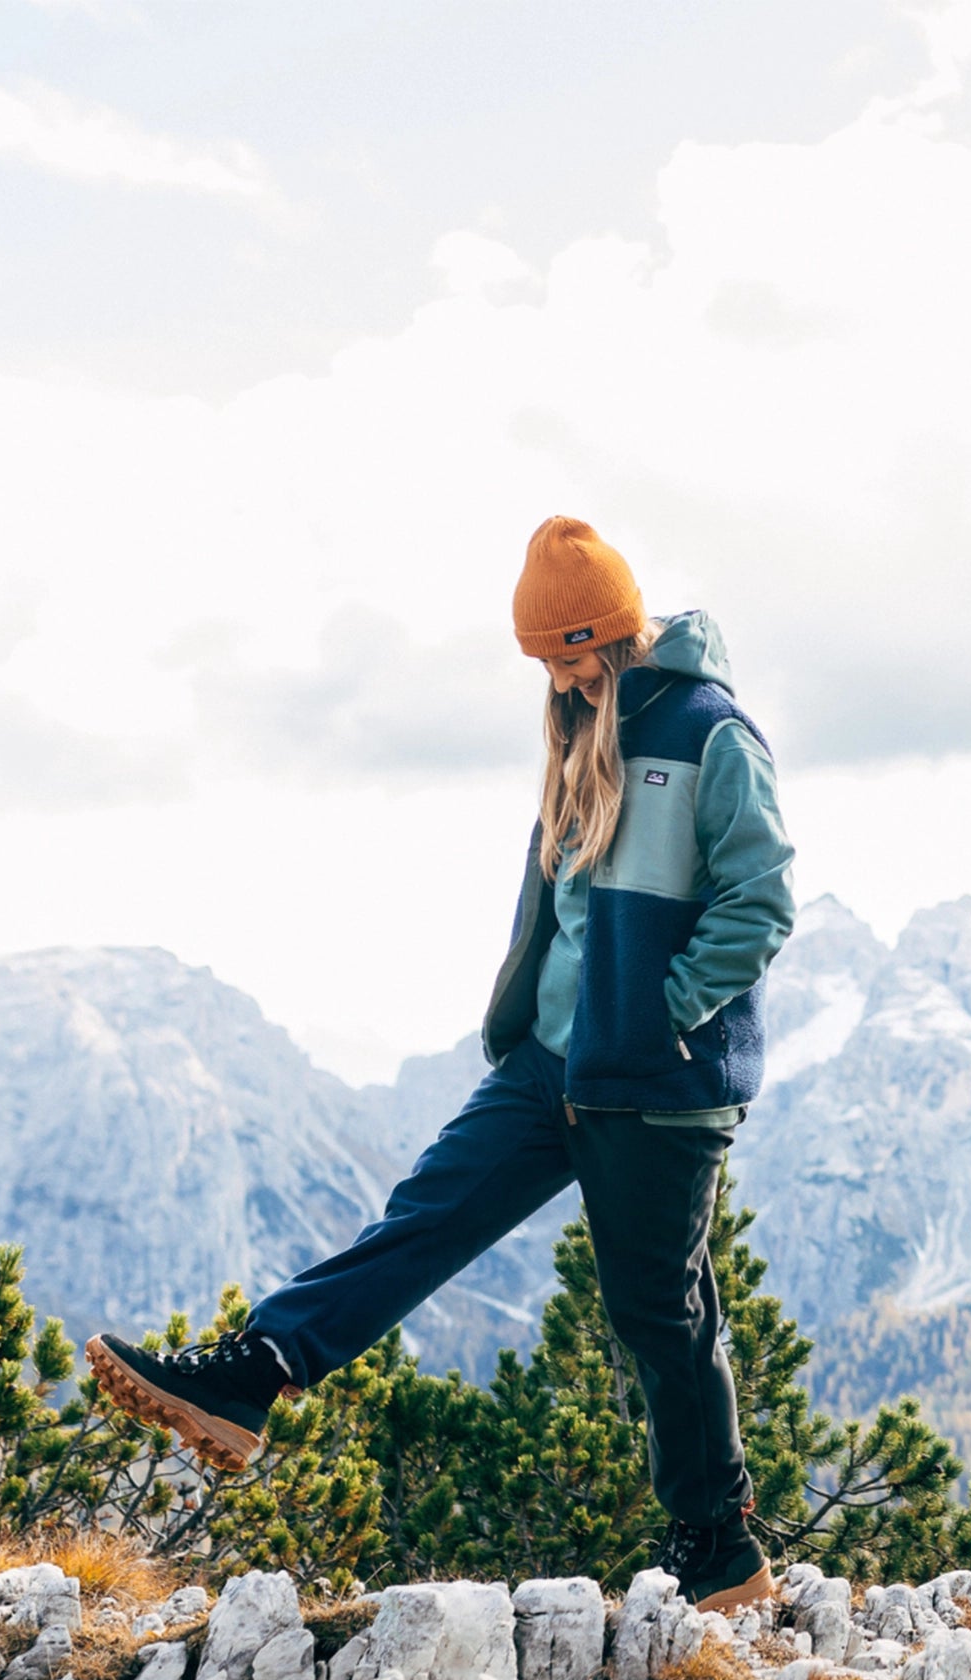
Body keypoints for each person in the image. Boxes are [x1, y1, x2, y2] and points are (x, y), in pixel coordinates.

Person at [88, 516, 796, 1613]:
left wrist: (661, 1014)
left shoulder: (712, 734)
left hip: (657, 1079)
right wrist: (531, 1019)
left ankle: (721, 1548)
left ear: (612, 631)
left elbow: (762, 899)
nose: (557, 677)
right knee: (419, 1217)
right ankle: (252, 1374)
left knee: (660, 1310)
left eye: (569, 653)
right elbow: (559, 907)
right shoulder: (574, 729)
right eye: (544, 661)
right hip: (551, 1062)